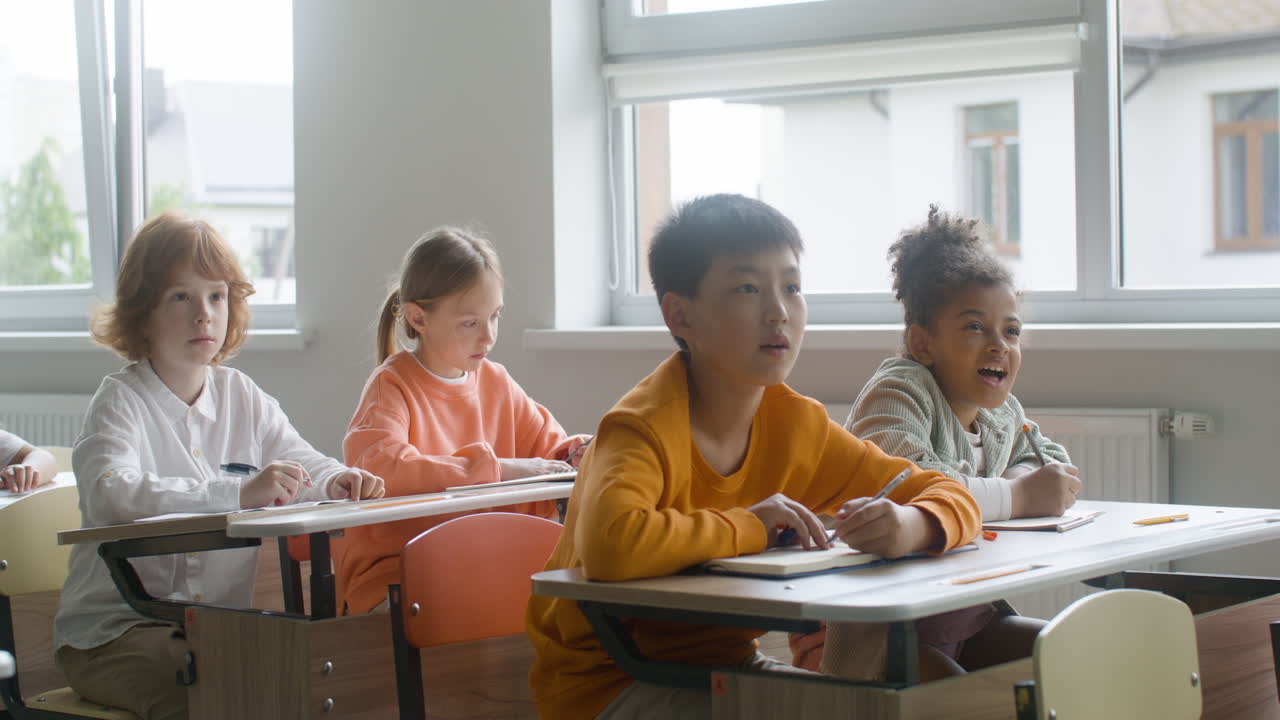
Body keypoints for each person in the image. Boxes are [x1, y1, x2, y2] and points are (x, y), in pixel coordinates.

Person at [526, 194, 982, 719]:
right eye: (747, 288)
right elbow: (612, 545)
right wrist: (754, 525)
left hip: (724, 672)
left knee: (905, 707)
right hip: (609, 685)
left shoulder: (796, 425)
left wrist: (914, 523)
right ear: (680, 314)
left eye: (791, 287)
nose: (779, 311)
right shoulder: (640, 428)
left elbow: (945, 491)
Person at [52, 213, 386, 720]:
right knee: (215, 685)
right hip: (113, 634)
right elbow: (112, 493)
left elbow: (299, 459)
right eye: (180, 297)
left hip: (213, 630)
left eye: (216, 296)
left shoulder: (242, 395)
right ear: (142, 313)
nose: (204, 315)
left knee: (312, 675)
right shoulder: (119, 400)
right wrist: (236, 493)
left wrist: (336, 479)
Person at [790, 205, 1080, 675]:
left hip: (962, 616)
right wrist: (1019, 494)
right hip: (877, 630)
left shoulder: (1002, 412)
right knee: (957, 693)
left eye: (1011, 331)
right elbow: (908, 481)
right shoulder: (899, 390)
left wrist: (1028, 479)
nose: (998, 345)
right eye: (974, 327)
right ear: (924, 343)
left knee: (1067, 659)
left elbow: (1048, 460)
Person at [337, 226, 589, 615]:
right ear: (418, 318)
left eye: (495, 316)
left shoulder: (496, 381)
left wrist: (576, 453)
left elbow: (547, 450)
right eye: (470, 323)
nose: (488, 337)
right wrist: (499, 469)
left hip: (485, 560)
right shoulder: (392, 385)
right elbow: (381, 470)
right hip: (399, 573)